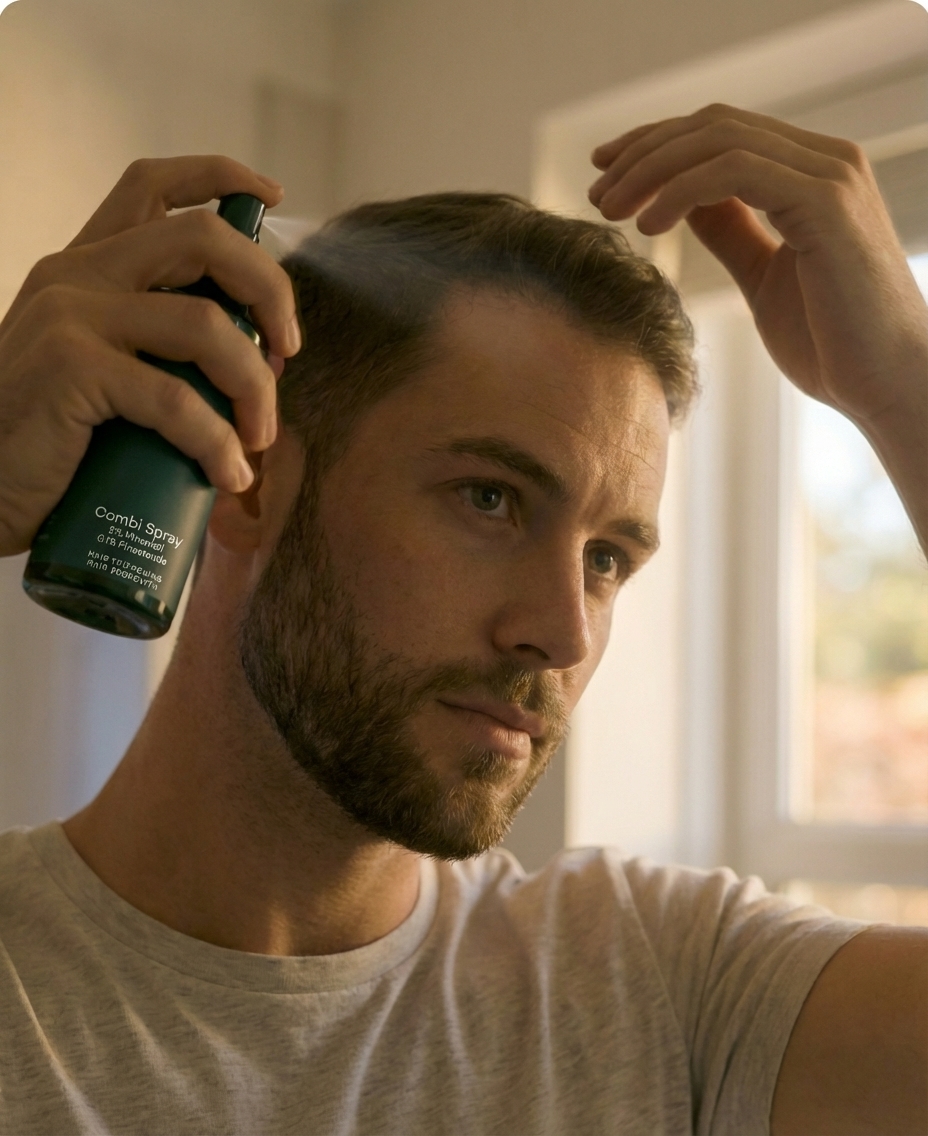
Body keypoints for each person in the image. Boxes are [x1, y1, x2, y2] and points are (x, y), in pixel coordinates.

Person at [0, 105, 924, 1135]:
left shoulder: (666, 990)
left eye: (607, 559)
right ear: (247, 476)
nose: (563, 634)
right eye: (490, 499)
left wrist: (907, 386)